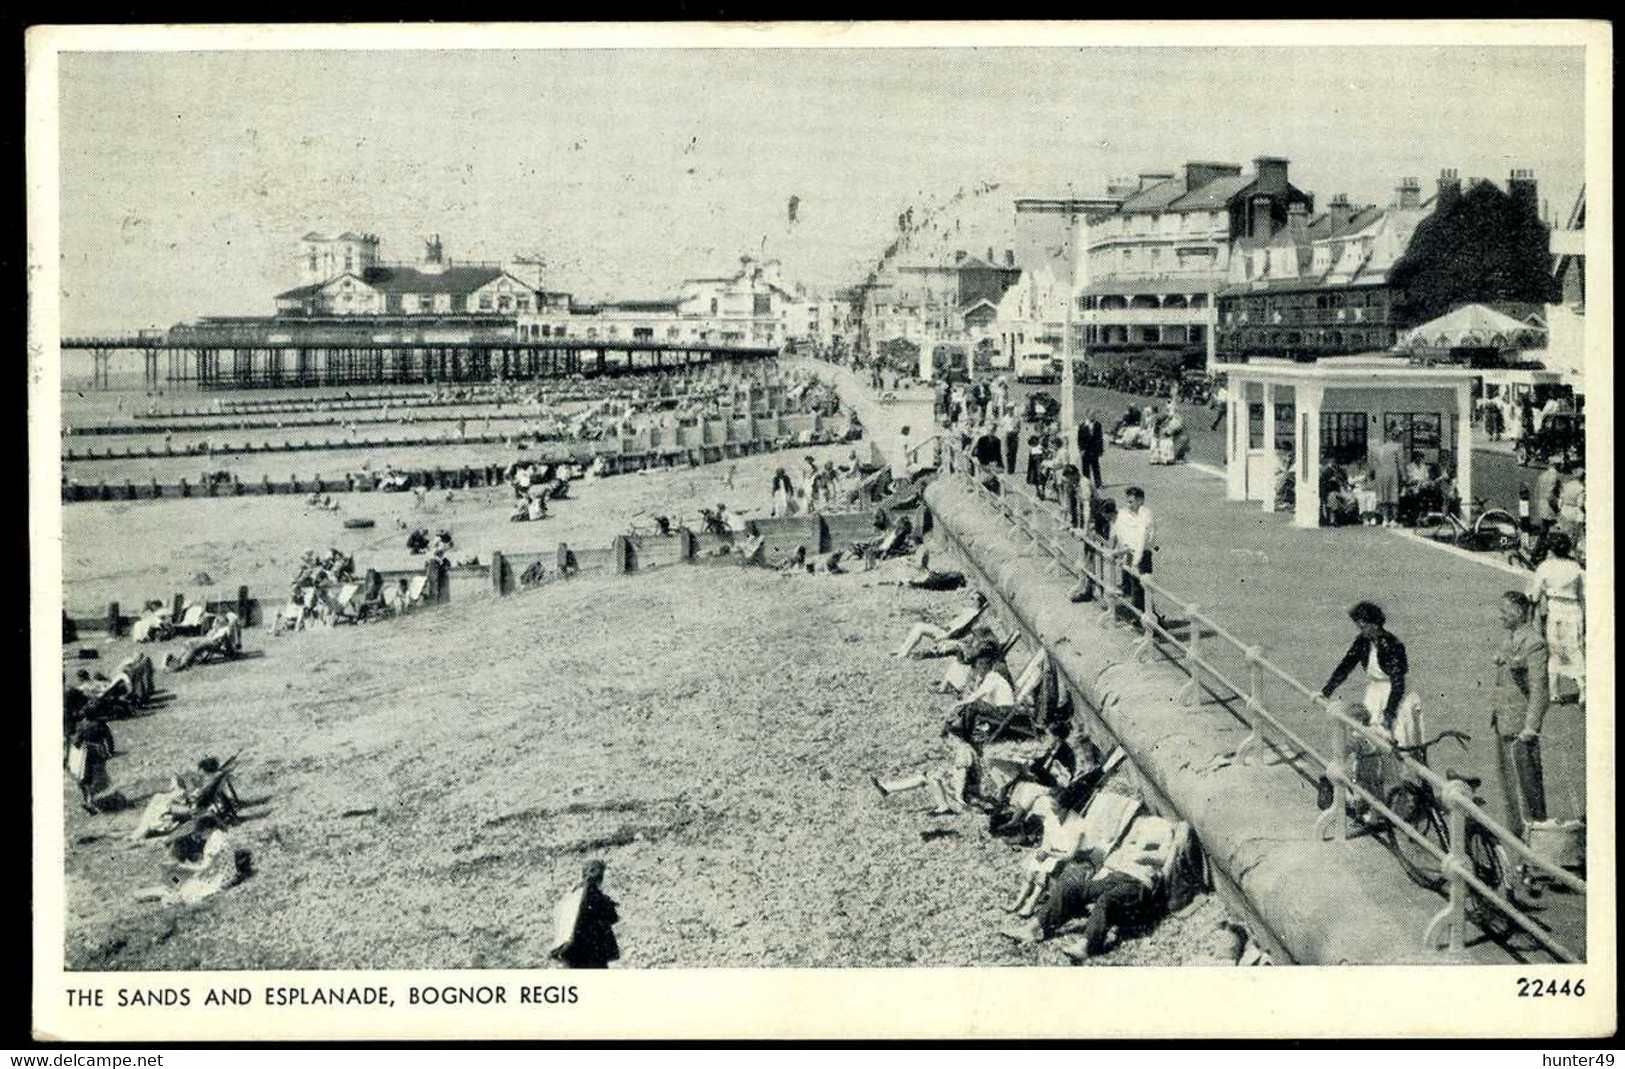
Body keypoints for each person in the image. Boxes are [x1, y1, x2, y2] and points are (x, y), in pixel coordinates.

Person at [1492, 591, 1550, 826]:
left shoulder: (1534, 643)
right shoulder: (1512, 637)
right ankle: (1519, 841)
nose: (1500, 617)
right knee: (1510, 789)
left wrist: (1531, 727)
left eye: (1504, 612)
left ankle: (1536, 843)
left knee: (1528, 790)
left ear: (1517, 612)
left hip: (1519, 729)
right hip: (1503, 722)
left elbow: (1540, 690)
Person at [1529, 532, 1584, 697]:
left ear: (1551, 550)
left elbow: (1535, 595)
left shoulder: (1545, 567)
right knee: (1576, 650)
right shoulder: (1576, 568)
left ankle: (1554, 692)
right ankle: (1583, 688)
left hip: (1555, 612)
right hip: (1574, 610)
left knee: (1554, 651)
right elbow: (1582, 596)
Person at [550, 860, 621, 969]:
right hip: (593, 950)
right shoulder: (594, 893)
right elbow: (613, 917)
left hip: (576, 949)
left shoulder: (574, 893)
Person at [1113, 487, 1155, 627]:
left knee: (1143, 587)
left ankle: (1151, 621)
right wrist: (1124, 554)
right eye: (1127, 501)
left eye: (1131, 502)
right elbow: (1122, 534)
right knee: (1135, 587)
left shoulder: (1146, 514)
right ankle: (1140, 619)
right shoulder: (1128, 514)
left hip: (1143, 555)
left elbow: (1142, 539)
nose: (1128, 505)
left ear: (1140, 500)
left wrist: (1136, 561)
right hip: (1131, 553)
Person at [1371, 429, 1405, 527]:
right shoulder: (1398, 447)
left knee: (1383, 497)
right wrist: (1404, 477)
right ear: (1395, 436)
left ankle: (1385, 519)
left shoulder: (1378, 448)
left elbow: (1373, 465)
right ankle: (1393, 520)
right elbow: (1401, 463)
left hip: (1380, 475)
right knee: (1393, 497)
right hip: (1392, 474)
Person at [1077, 410, 1105, 489]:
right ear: (1087, 415)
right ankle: (1087, 484)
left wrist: (1100, 450)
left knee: (1095, 467)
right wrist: (1081, 449)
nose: (1093, 416)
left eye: (1094, 414)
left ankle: (1098, 484)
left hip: (1094, 450)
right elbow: (1079, 439)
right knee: (1085, 468)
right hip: (1085, 450)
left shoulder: (1098, 425)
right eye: (1091, 415)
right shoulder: (1082, 426)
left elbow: (1100, 439)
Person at [998, 407, 1021, 476]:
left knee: (1013, 453)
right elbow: (1001, 427)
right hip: (1007, 437)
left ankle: (1012, 469)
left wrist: (1014, 431)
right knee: (1008, 453)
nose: (1010, 410)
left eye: (1012, 409)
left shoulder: (1016, 418)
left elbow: (1018, 429)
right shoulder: (1005, 418)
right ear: (1007, 410)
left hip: (1014, 436)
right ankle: (1009, 468)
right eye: (1009, 409)